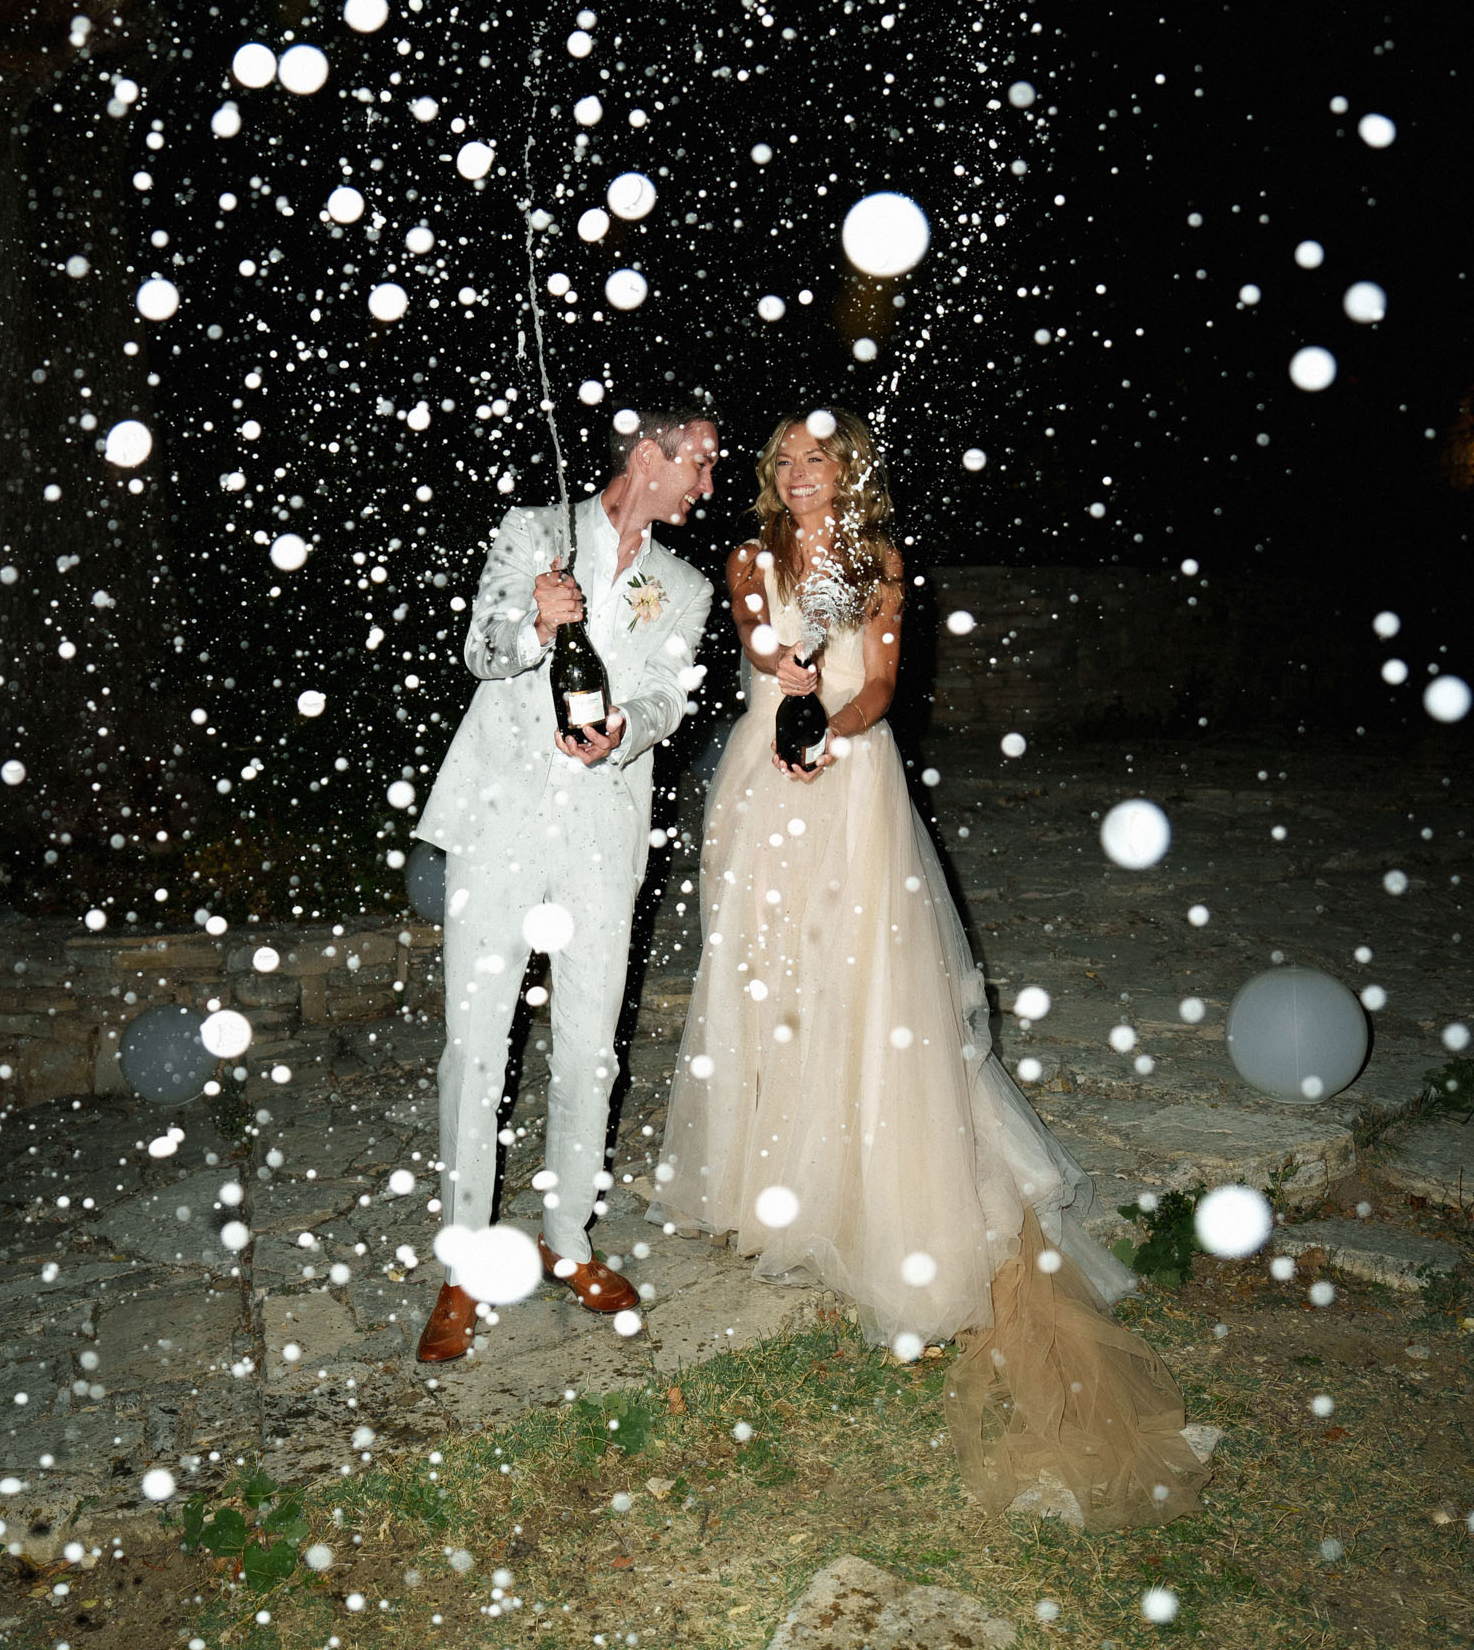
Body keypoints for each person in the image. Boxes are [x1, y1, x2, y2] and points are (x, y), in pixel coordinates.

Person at [650, 408, 1204, 1529]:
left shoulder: (885, 562)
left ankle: (866, 1180)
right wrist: (794, 678)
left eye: (821, 461)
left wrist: (838, 728)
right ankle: (772, 1175)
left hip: (851, 782)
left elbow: (884, 685)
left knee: (859, 978)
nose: (801, 476)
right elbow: (763, 649)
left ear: (850, 474)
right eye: (787, 462)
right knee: (767, 975)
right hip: (765, 778)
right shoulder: (751, 555)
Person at [411, 406, 718, 1363]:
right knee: (477, 1046)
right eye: (697, 464)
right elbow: (479, 654)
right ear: (646, 456)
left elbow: (671, 693)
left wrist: (628, 727)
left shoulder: (685, 585)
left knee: (589, 1047)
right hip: (499, 828)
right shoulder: (531, 532)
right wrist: (532, 627)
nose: (707, 486)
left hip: (600, 834)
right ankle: (465, 1267)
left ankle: (568, 1242)